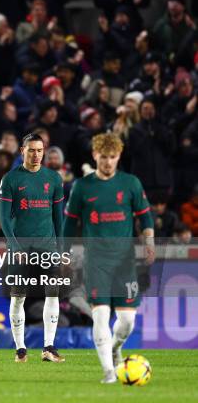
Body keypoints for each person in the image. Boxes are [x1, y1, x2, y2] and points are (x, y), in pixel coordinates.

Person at [63, 133, 155, 384]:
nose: (107, 162)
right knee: (101, 315)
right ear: (95, 156)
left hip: (125, 262)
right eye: (103, 157)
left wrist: (149, 241)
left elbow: (145, 216)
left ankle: (115, 348)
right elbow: (70, 224)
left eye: (112, 158)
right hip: (97, 262)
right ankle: (108, 372)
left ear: (118, 157)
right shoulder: (82, 187)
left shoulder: (131, 184)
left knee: (127, 321)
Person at [0, 133, 65, 364]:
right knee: (18, 298)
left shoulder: (54, 179)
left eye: (39, 150)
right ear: (22, 152)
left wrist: (62, 247)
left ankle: (49, 347)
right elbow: (4, 220)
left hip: (48, 248)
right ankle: (20, 349)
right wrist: (15, 246)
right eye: (31, 150)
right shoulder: (10, 180)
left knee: (53, 294)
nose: (36, 155)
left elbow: (58, 218)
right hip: (21, 250)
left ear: (43, 151)